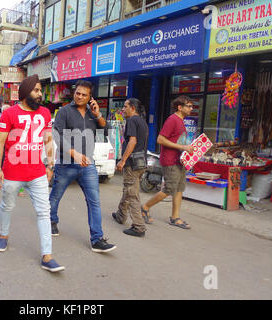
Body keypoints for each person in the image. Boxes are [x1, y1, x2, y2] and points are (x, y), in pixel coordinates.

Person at [0, 74, 65, 273]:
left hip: (37, 172)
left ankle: (47, 255)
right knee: (7, 206)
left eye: (40, 90)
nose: (40, 94)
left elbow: (48, 140)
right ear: (25, 93)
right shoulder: (9, 114)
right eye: (36, 90)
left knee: (44, 211)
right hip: (12, 172)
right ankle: (4, 235)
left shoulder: (45, 114)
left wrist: (50, 166)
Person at [50, 80, 117, 253]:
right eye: (77, 93)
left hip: (88, 165)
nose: (79, 96)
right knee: (56, 196)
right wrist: (75, 154)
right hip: (66, 164)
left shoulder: (92, 114)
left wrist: (98, 114)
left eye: (84, 95)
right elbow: (57, 136)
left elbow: (107, 131)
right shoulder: (64, 111)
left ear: (90, 97)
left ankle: (97, 239)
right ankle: (51, 220)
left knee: (94, 201)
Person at [142, 96, 194, 230]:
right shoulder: (172, 120)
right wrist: (183, 148)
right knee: (169, 189)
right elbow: (160, 139)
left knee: (179, 189)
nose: (191, 108)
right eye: (189, 106)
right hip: (170, 161)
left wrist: (189, 149)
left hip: (180, 160)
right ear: (180, 107)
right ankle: (145, 207)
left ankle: (175, 217)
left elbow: (178, 141)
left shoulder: (181, 121)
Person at [112, 99, 149, 237]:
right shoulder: (142, 122)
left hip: (132, 164)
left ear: (132, 108)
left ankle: (139, 226)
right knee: (128, 189)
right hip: (140, 163)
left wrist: (123, 160)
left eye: (125, 106)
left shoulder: (132, 121)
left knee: (132, 194)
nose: (123, 109)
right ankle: (121, 215)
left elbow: (132, 141)